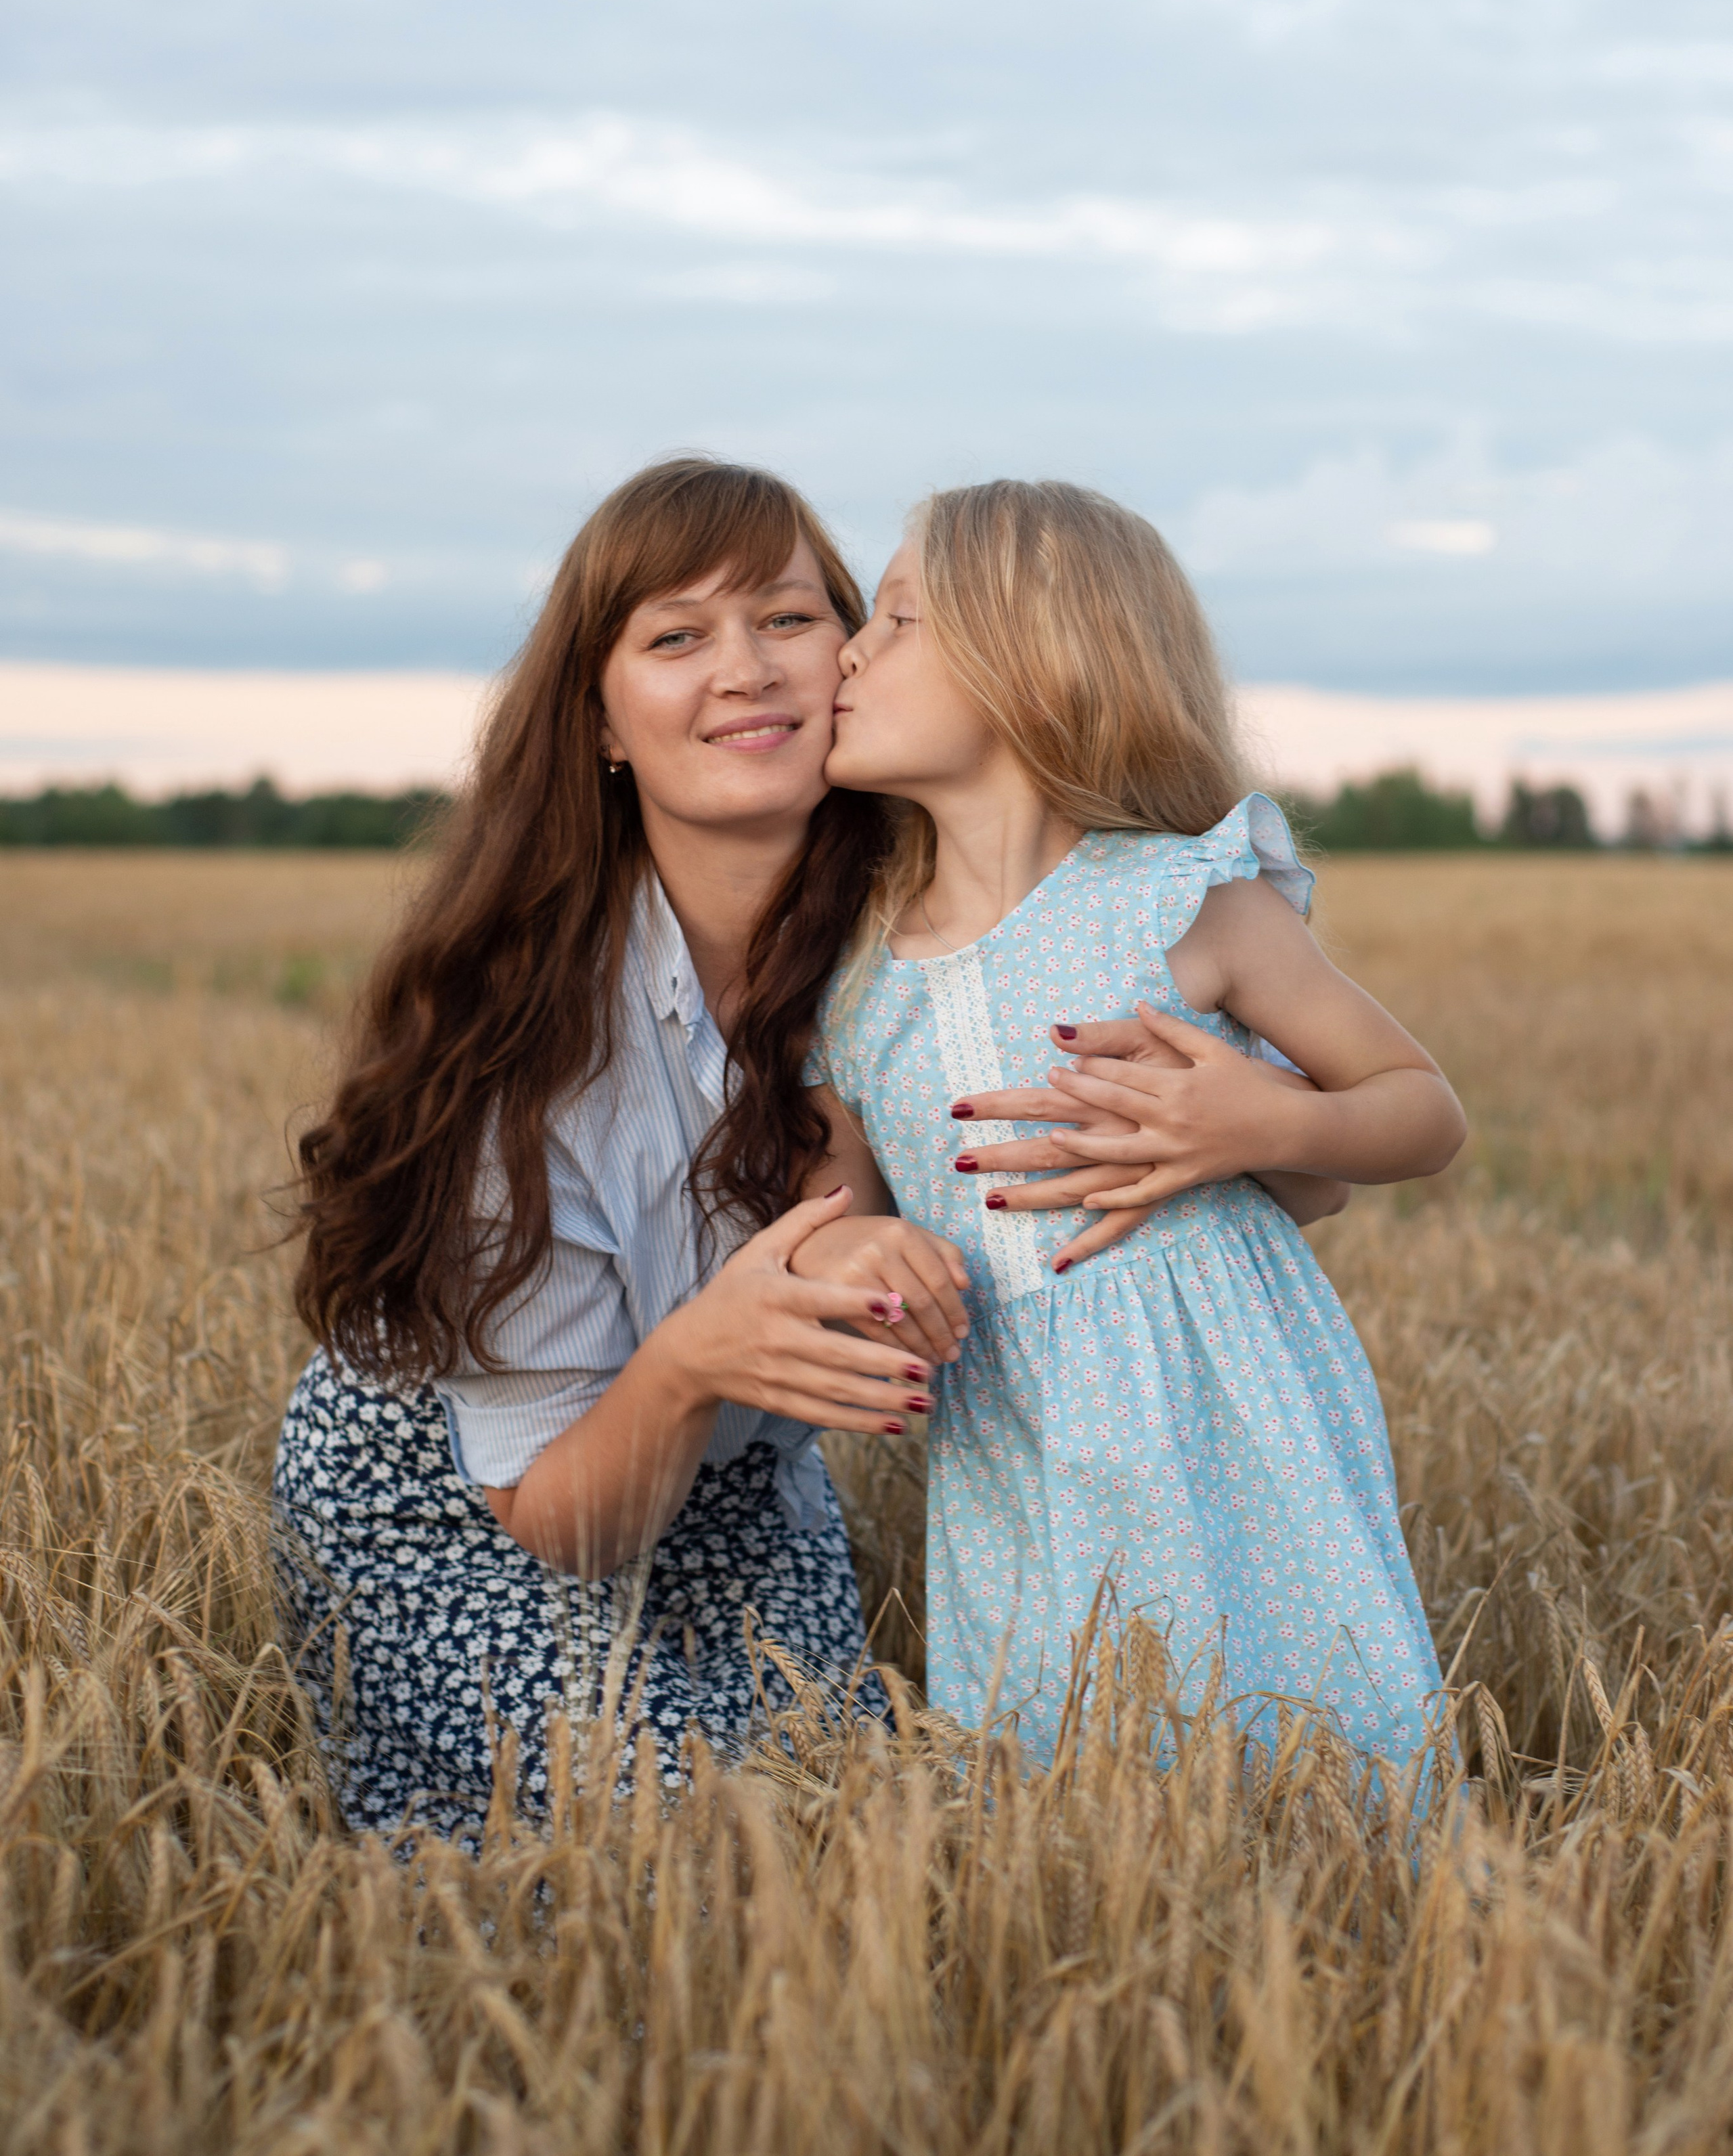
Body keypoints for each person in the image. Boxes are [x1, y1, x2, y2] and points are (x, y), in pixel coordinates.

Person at [272, 458, 1361, 1842]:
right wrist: (694, 1358)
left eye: (787, 617)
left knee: (889, 1843)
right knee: (681, 1867)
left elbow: (1304, 1178)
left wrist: (1226, 1127)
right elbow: (561, 1517)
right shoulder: (527, 1056)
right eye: (676, 636)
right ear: (600, 722)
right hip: (481, 1503)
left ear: (858, 656)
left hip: (734, 1491)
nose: (747, 667)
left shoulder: (943, 933)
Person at [807, 479, 1466, 1774]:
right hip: (1014, 1434)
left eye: (896, 620)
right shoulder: (854, 979)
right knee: (1068, 1762)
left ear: (1036, 666)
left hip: (1224, 1395)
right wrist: (847, 1263)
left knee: (1306, 1734)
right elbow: (833, 1222)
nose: (848, 652)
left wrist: (1259, 1121)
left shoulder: (1177, 900)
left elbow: (1421, 1111)